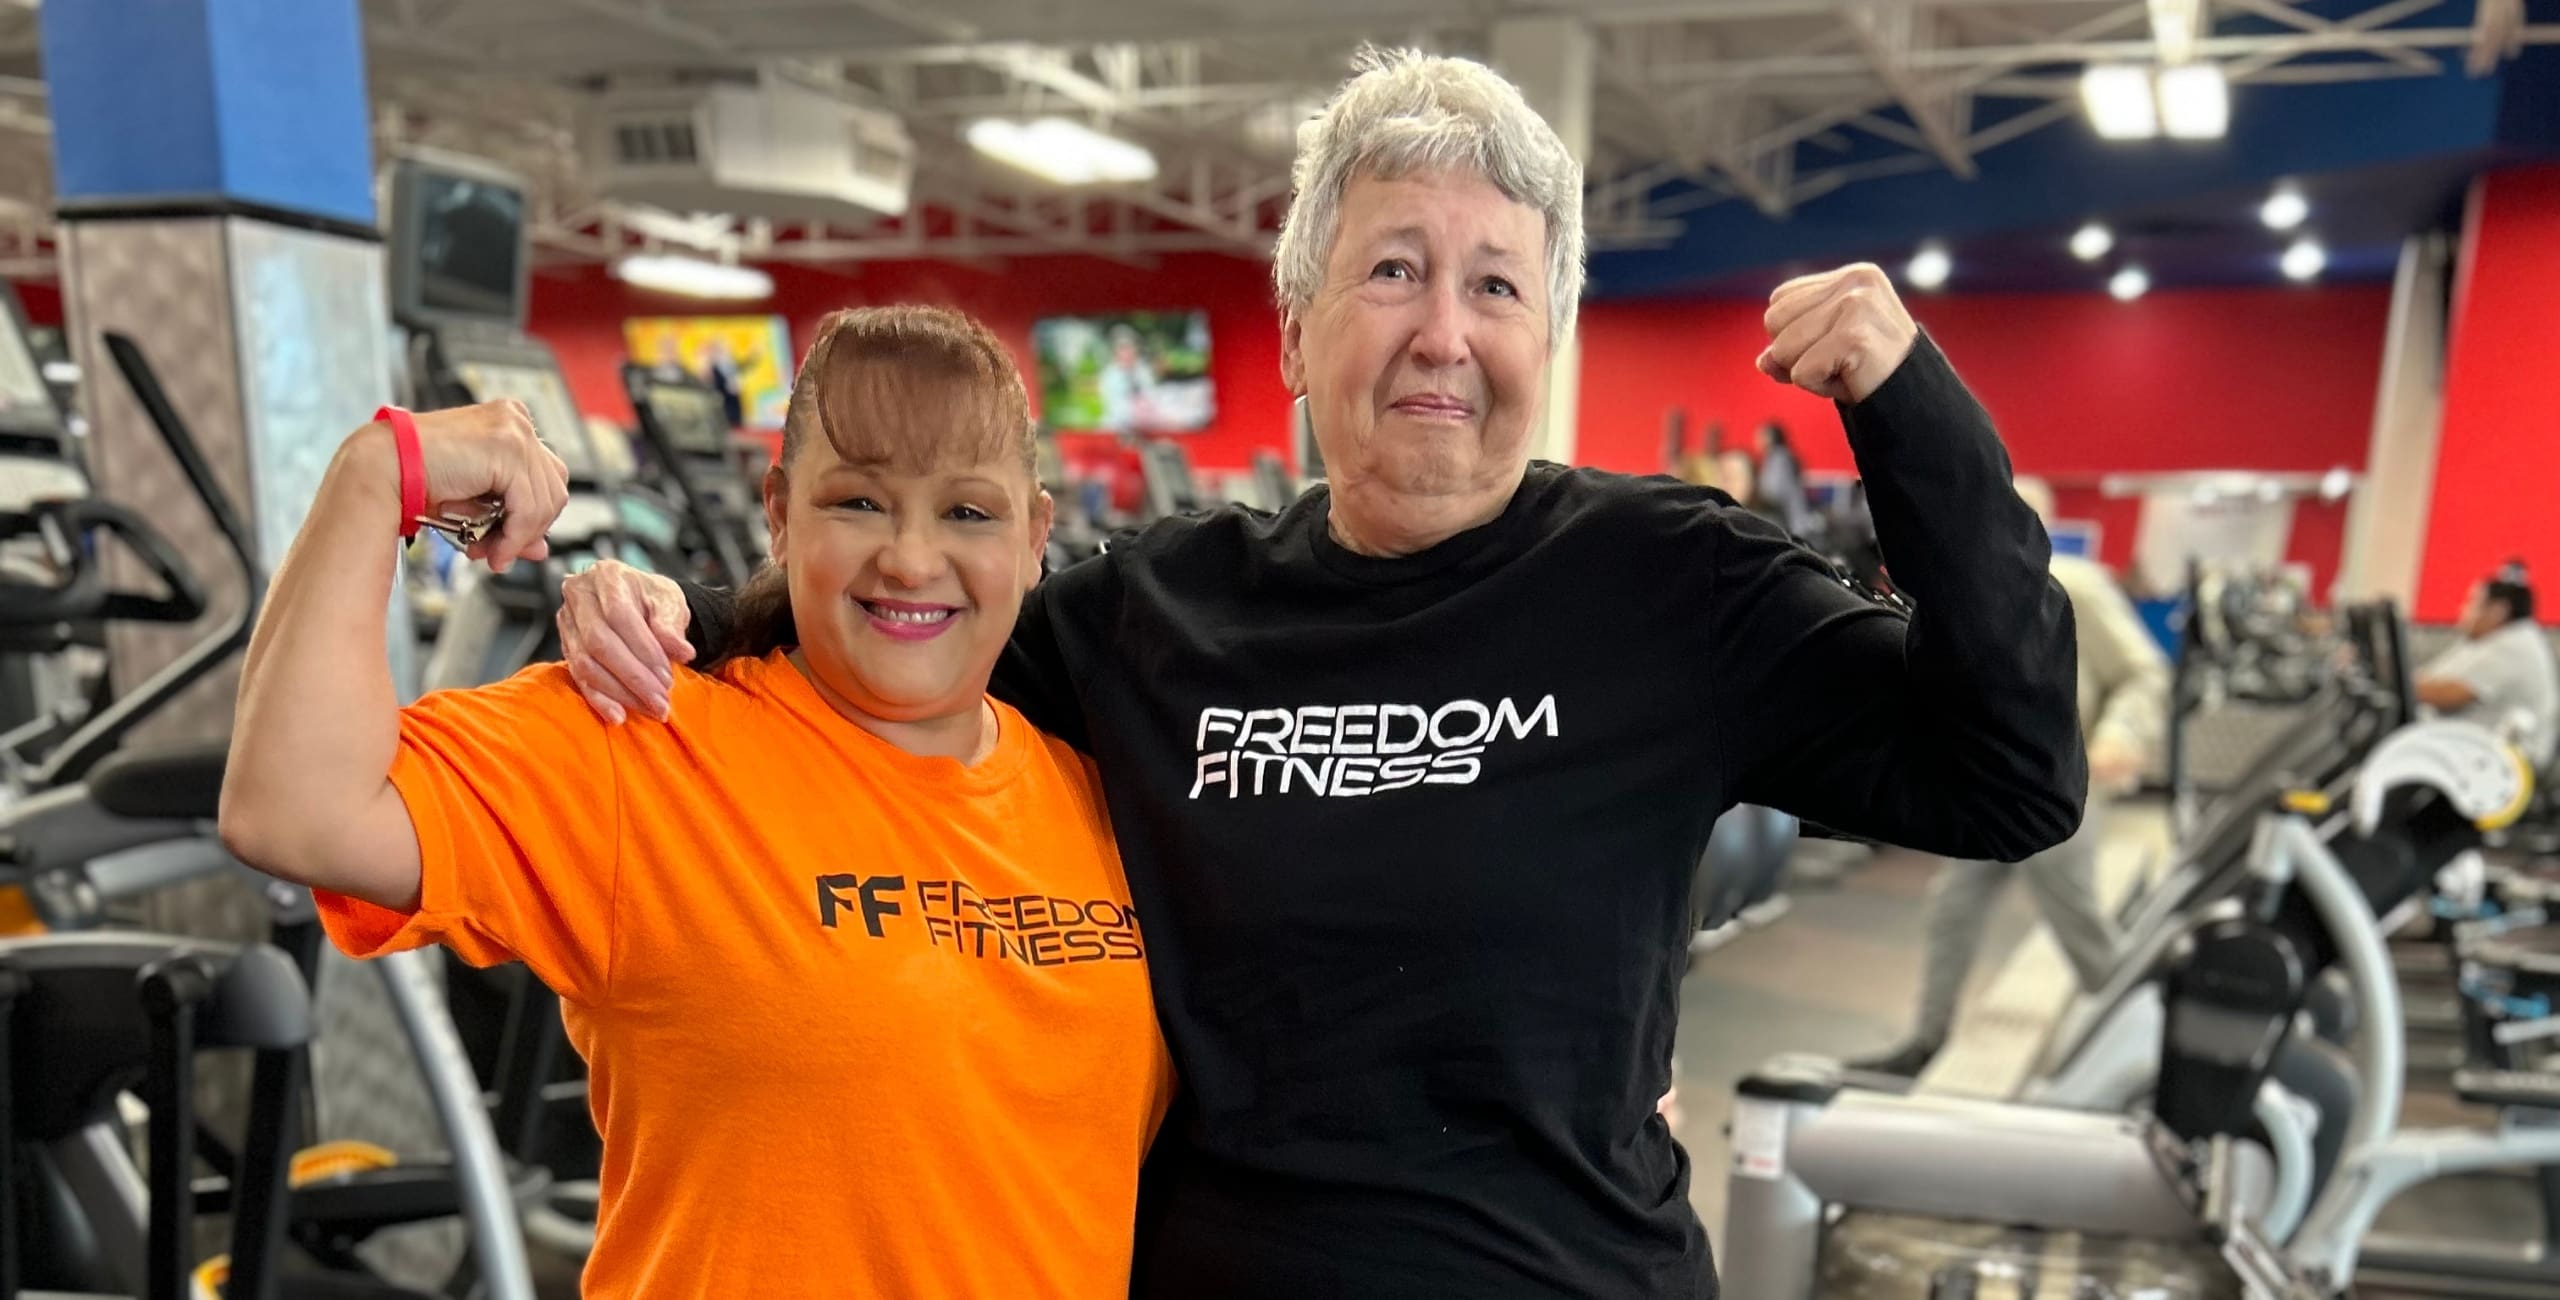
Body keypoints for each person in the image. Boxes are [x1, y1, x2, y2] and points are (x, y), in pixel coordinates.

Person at [554, 47, 2085, 1299]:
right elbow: (895, 618)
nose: (1442, 333)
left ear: (1542, 337)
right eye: (1394, 272)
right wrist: (658, 610)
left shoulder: (1673, 583)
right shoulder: (1158, 611)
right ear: (1294, 333)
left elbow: (2010, 777)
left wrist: (1913, 413)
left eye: (1495, 288)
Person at [217, 306, 1176, 1298]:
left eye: (967, 513)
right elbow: (294, 808)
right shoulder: (646, 744)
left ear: (1035, 537)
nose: (911, 560)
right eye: (857, 503)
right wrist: (377, 475)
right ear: (778, 513)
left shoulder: (1100, 797)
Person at [1851, 475, 2169, 1077]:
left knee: (2085, 939)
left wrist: (2118, 738)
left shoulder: (2074, 586)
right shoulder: (1976, 591)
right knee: (1952, 909)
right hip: (1994, 789)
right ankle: (1926, 1041)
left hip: (2058, 794)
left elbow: (2145, 672)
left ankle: (2159, 1050)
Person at [2417, 559, 2560, 771]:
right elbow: (2430, 679)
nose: (2464, 610)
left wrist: (2392, 682)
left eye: (2472, 603)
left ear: (2498, 610)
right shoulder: (2484, 641)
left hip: (2504, 766)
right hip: (2474, 752)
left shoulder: (2514, 646)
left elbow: (2449, 694)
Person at [1753, 419, 1819, 538]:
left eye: (1761, 436)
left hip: (1791, 520)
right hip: (1787, 518)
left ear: (1770, 438)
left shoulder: (1779, 458)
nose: (1757, 440)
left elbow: (1774, 490)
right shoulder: (1775, 457)